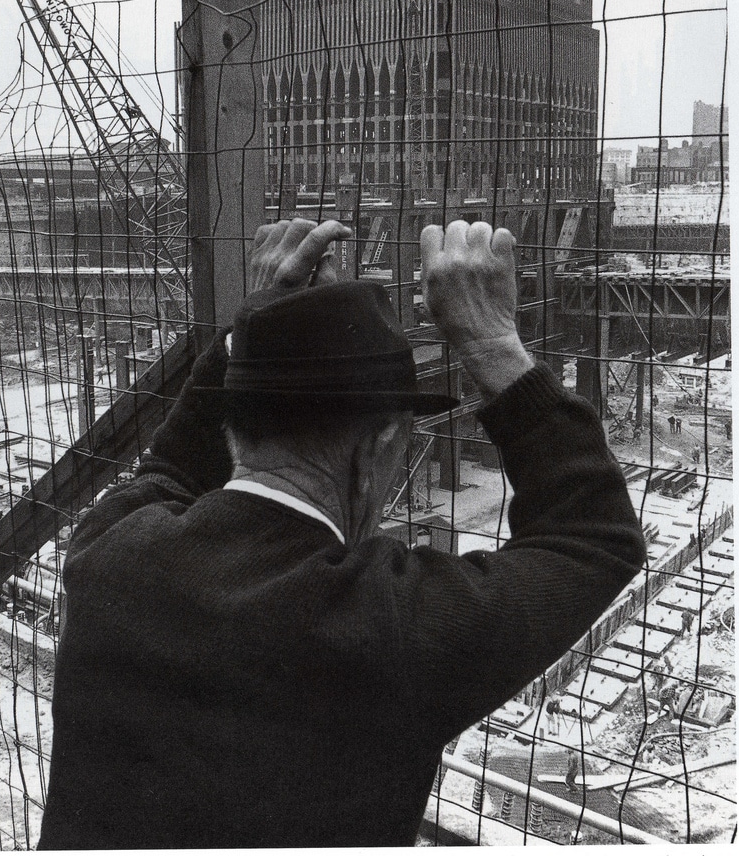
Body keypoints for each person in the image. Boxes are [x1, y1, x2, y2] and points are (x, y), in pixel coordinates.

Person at [38, 218, 645, 849]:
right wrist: (491, 340)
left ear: (233, 426)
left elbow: (170, 466)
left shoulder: (108, 546)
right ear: (380, 443)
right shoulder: (393, 628)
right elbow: (597, 537)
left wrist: (255, 322)